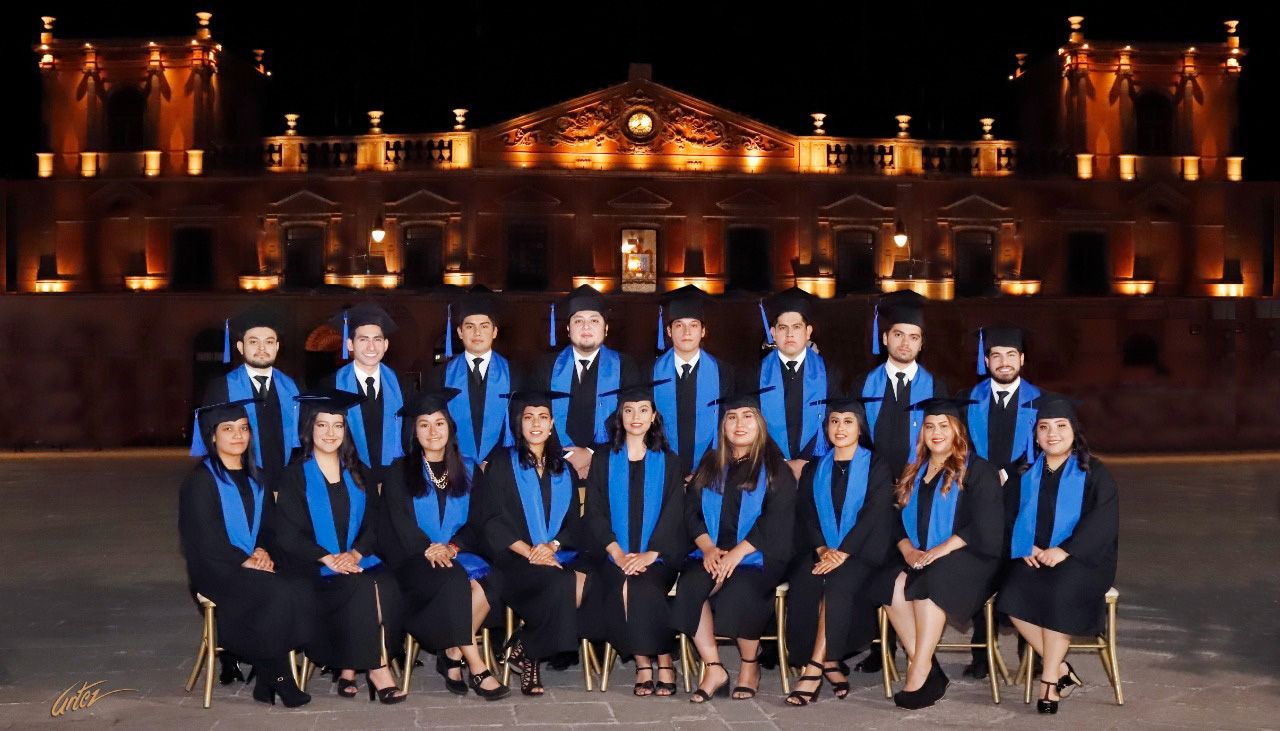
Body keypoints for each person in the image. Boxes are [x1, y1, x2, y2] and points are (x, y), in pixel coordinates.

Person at [178, 399, 314, 708]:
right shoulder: (200, 482)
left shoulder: (258, 476)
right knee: (275, 592)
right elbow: (204, 539)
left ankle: (266, 678)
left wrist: (263, 549)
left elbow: (269, 526)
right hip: (214, 569)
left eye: (243, 428)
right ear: (212, 436)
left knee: (302, 586)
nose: (238, 436)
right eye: (228, 429)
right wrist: (245, 559)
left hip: (251, 562)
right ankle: (277, 675)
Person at [273, 390, 406, 704]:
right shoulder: (295, 476)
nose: (330, 433)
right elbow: (287, 533)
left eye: (338, 426)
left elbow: (375, 522)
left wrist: (356, 553)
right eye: (322, 425)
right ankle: (378, 669)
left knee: (386, 583)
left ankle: (348, 666)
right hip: (310, 565)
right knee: (358, 585)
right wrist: (328, 558)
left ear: (347, 431)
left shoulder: (358, 471)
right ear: (309, 429)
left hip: (355, 558)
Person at [875, 397, 1004, 710]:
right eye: (930, 426)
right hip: (922, 553)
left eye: (944, 426)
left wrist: (942, 549)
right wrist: (906, 548)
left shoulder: (978, 469)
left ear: (957, 430)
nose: (936, 432)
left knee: (930, 581)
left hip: (971, 556)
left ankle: (919, 670)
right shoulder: (915, 468)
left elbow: (987, 524)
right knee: (888, 583)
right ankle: (930, 667)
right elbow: (894, 518)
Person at [382, 388, 510, 700]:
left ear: (450, 427)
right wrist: (427, 547)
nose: (432, 431)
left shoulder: (467, 468)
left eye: (439, 423)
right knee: (454, 579)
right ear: (414, 431)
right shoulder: (400, 471)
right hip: (414, 559)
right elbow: (398, 522)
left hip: (456, 554)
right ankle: (477, 666)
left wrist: (452, 547)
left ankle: (452, 652)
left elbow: (480, 521)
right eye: (423, 424)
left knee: (491, 580)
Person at [671, 387, 797, 703]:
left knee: (741, 588)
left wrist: (738, 554)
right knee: (690, 586)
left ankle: (749, 665)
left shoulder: (776, 468)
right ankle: (714, 667)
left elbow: (776, 520)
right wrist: (709, 549)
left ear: (760, 424)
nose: (739, 424)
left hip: (759, 554)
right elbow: (691, 511)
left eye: (747, 417)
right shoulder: (711, 464)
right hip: (713, 551)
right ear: (723, 426)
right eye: (731, 418)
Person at [998, 395, 1119, 715]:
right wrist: (1027, 546)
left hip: (1082, 559)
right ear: (1035, 434)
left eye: (1060, 426)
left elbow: (1103, 521)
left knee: (1059, 592)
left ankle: (1049, 679)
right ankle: (1063, 669)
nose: (1052, 433)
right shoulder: (1023, 472)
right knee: (1011, 597)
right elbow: (1006, 515)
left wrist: (1065, 551)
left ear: (1074, 431)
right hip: (1033, 555)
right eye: (1044, 427)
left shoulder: (1094, 472)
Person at [851, 290, 948, 675]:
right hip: (872, 491)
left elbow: (945, 441)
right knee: (878, 563)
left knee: (910, 565)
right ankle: (881, 646)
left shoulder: (936, 385)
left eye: (913, 336)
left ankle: (917, 646)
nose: (905, 343)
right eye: (898, 335)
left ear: (922, 342)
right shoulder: (862, 383)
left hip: (919, 491)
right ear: (885, 338)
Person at [783, 396, 896, 706]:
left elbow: (875, 513)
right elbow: (806, 513)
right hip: (821, 549)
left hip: (862, 552)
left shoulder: (876, 465)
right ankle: (831, 662)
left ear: (860, 428)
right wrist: (821, 547)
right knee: (805, 582)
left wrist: (843, 552)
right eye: (834, 421)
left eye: (848, 422)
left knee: (838, 584)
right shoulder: (815, 467)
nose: (840, 428)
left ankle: (814, 667)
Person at [480, 390, 591, 696]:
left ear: (552, 424)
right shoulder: (502, 463)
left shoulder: (564, 469)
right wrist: (529, 551)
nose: (536, 424)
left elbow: (574, 524)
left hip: (554, 555)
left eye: (543, 417)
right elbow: (492, 519)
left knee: (583, 581)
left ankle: (525, 649)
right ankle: (531, 655)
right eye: (529, 418)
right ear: (520, 424)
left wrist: (552, 546)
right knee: (560, 583)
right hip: (512, 558)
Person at [584, 380, 686, 696]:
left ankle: (662, 660)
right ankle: (649, 662)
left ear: (654, 416)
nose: (636, 417)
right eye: (629, 410)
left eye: (643, 410)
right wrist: (616, 552)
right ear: (620, 416)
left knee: (642, 583)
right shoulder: (603, 458)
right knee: (625, 583)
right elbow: (596, 511)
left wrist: (650, 554)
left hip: (660, 555)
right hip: (613, 553)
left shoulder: (669, 460)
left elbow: (674, 514)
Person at [954, 324, 1042, 679]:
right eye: (996, 356)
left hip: (1025, 500)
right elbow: (959, 446)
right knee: (981, 570)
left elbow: (1047, 450)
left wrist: (1007, 473)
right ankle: (981, 655)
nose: (1003, 362)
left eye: (1010, 355)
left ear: (1022, 359)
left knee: (1025, 573)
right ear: (986, 359)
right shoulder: (968, 400)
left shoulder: (1042, 402)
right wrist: (983, 475)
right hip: (979, 499)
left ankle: (1032, 654)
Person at [534, 285, 640, 480]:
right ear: (568, 328)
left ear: (606, 328)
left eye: (594, 320)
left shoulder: (626, 366)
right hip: (556, 466)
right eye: (578, 321)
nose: (586, 327)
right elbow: (538, 415)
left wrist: (591, 454)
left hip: (610, 465)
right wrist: (568, 456)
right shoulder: (546, 366)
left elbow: (631, 416)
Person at [193, 306, 301, 490]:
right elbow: (210, 440)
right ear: (241, 347)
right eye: (253, 342)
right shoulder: (221, 387)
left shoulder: (293, 387)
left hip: (285, 483)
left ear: (276, 347)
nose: (261, 348)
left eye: (268, 342)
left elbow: (302, 438)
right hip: (238, 482)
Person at [752, 287, 844, 480]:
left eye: (796, 327)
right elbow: (752, 423)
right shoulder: (755, 374)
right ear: (773, 333)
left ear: (808, 331)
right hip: (769, 469)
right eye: (783, 328)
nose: (789, 334)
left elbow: (834, 420)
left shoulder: (830, 372)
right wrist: (780, 462)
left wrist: (805, 461)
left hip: (816, 467)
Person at [319, 302, 412, 485]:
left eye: (377, 340)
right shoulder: (330, 386)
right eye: (363, 339)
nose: (371, 347)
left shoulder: (403, 386)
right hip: (347, 478)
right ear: (350, 344)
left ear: (385, 344)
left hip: (394, 480)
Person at [650, 285, 735, 479]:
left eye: (694, 325)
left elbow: (727, 424)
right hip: (661, 471)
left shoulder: (724, 372)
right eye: (679, 325)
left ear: (703, 331)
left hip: (711, 472)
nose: (686, 332)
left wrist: (707, 468)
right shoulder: (649, 372)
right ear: (669, 331)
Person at [430, 286, 519, 471]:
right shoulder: (440, 376)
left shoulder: (516, 374)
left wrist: (493, 462)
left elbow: (519, 427)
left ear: (494, 331)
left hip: (503, 469)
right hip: (455, 469)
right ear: (460, 332)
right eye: (470, 326)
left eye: (484, 326)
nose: (477, 333)